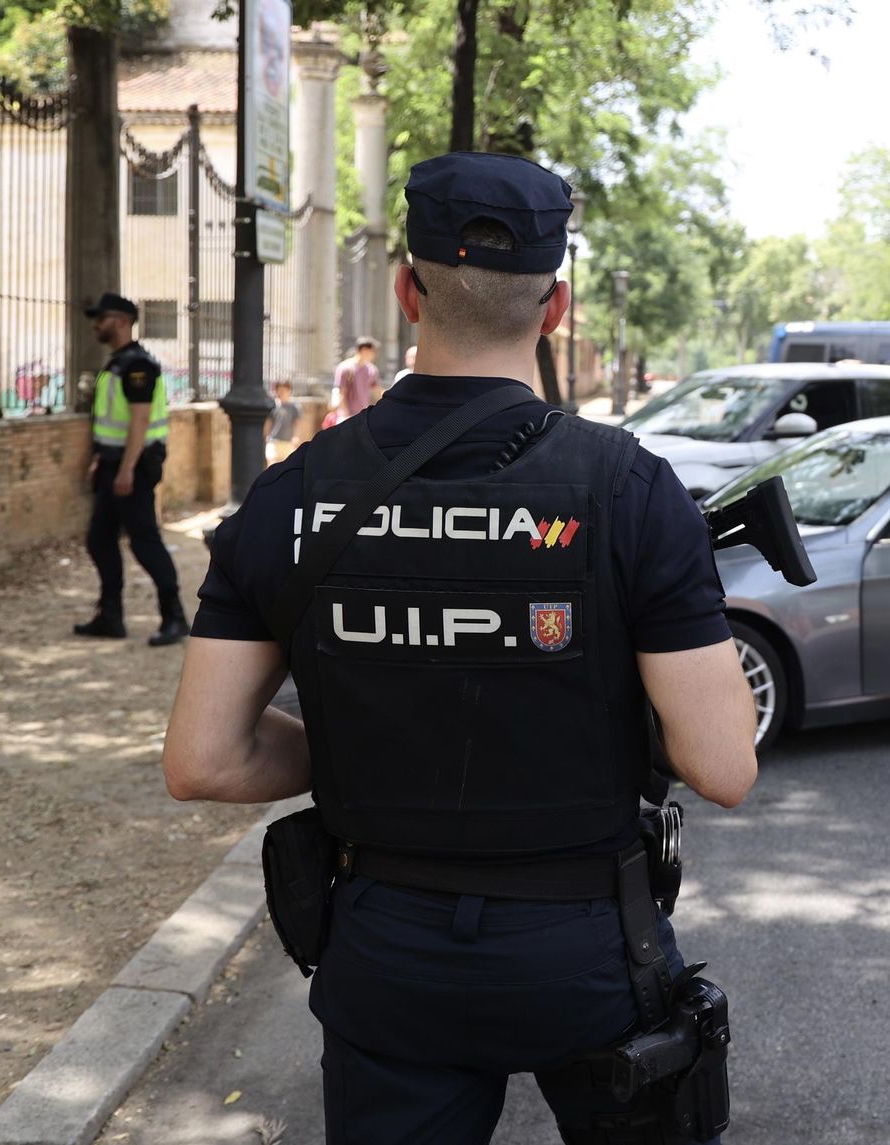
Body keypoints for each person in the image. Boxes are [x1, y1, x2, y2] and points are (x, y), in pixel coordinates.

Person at [162, 152, 758, 1144]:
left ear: (408, 290)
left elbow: (202, 759)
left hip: (388, 950)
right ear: (555, 306)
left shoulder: (291, 493)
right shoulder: (631, 490)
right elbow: (723, 765)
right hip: (587, 947)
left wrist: (362, 742)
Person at [74, 292, 189, 646]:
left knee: (144, 541)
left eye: (102, 318)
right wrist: (101, 460)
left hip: (133, 467)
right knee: (99, 538)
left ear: (122, 321)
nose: (96, 325)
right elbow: (112, 421)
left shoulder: (138, 365)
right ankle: (110, 615)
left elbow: (139, 421)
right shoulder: (117, 363)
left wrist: (126, 469)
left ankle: (174, 617)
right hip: (114, 464)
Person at [330, 336, 382, 422]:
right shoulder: (345, 368)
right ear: (364, 350)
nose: (375, 355)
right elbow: (341, 393)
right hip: (346, 415)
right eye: (373, 351)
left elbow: (377, 391)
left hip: (362, 415)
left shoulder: (372, 370)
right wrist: (345, 414)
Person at [265, 380, 300, 463]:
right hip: (274, 441)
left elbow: (296, 423)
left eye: (284, 390)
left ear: (289, 391)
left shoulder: (294, 407)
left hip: (287, 443)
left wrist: (296, 436)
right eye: (280, 390)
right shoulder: (272, 405)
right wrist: (266, 436)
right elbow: (268, 423)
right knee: (272, 464)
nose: (282, 392)